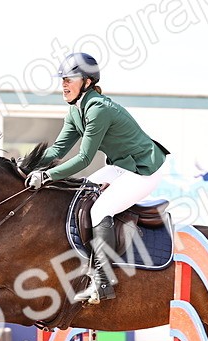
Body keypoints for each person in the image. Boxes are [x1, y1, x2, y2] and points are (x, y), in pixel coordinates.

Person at [26, 52, 171, 304]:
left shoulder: (98, 109)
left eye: (69, 79)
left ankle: (103, 282)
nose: (63, 84)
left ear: (87, 82)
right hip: (122, 166)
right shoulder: (75, 111)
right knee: (82, 195)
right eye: (62, 80)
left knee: (99, 209)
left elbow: (83, 158)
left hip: (145, 169)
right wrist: (26, 164)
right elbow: (58, 150)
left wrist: (47, 176)